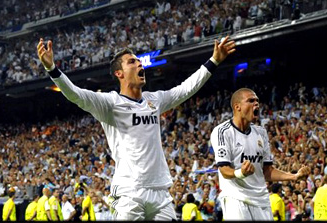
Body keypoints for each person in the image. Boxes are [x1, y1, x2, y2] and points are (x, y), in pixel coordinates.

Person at [37, 36, 236, 220]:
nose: (139, 64)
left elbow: (185, 89)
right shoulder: (110, 103)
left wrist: (214, 61)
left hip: (160, 191)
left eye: (139, 61)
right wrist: (52, 69)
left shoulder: (154, 100)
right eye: (132, 62)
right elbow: (75, 94)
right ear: (119, 73)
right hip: (129, 192)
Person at [210, 88, 310, 220]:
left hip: (261, 199)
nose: (256, 104)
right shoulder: (222, 132)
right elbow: (224, 170)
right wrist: (241, 173)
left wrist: (294, 176)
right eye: (251, 101)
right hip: (236, 198)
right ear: (237, 106)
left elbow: (267, 171)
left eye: (257, 101)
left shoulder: (261, 133)